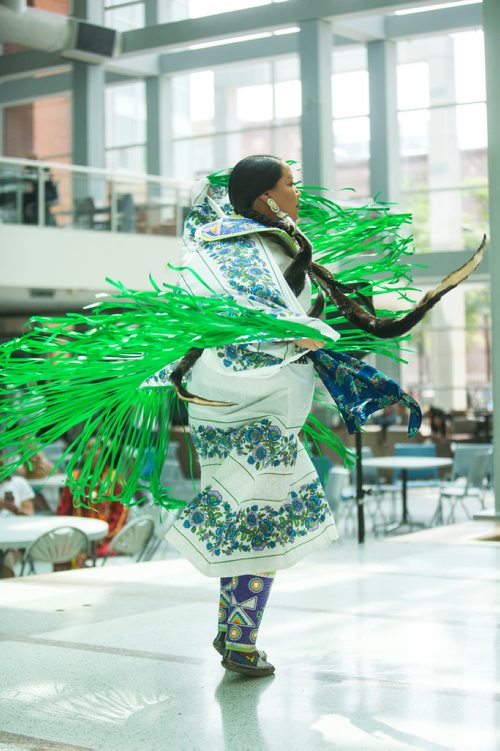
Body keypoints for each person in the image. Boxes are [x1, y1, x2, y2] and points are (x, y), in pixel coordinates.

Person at [157, 155, 417, 677]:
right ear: (267, 198)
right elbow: (253, 322)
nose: (297, 194)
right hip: (252, 401)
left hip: (227, 403)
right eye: (290, 185)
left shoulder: (217, 244)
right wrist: (309, 335)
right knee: (261, 524)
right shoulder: (253, 249)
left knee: (244, 516)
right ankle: (241, 643)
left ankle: (233, 631)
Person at [56, 439, 129, 559]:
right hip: (77, 537)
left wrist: (103, 537)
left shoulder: (115, 479)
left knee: (95, 554)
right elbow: (63, 510)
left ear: (105, 454)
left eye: (96, 449)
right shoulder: (75, 478)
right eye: (87, 449)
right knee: (59, 553)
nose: (90, 453)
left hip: (106, 539)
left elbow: (120, 515)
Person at [0, 456, 35, 577]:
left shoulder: (19, 483)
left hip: (16, 540)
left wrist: (15, 509)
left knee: (6, 559)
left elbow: (29, 513)